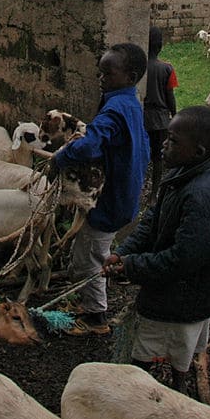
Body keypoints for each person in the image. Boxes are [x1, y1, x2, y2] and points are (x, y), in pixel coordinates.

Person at [104, 105, 210, 395]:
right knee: (175, 347)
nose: (163, 144)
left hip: (184, 297)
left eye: (172, 140)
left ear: (197, 151)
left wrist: (132, 266)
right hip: (178, 290)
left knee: (157, 349)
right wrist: (124, 252)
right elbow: (153, 218)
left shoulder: (198, 195)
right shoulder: (182, 174)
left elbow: (183, 259)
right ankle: (175, 384)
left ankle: (148, 393)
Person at [52, 43, 151, 336]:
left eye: (108, 73)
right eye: (100, 72)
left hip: (109, 200)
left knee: (91, 258)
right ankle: (88, 302)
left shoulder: (115, 109)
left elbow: (90, 145)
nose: (101, 78)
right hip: (123, 193)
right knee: (88, 250)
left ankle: (97, 317)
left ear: (130, 76)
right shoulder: (130, 104)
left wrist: (61, 157)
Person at [143, 26, 178, 193]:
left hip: (141, 117)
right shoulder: (167, 68)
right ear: (160, 46)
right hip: (160, 119)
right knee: (158, 158)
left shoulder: (138, 67)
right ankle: (154, 194)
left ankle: (138, 187)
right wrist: (175, 114)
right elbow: (170, 95)